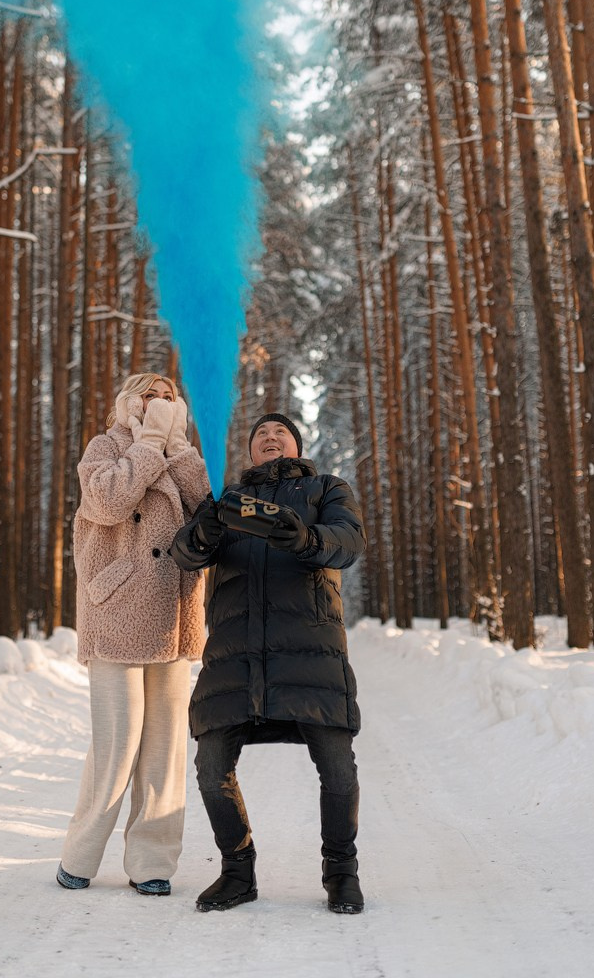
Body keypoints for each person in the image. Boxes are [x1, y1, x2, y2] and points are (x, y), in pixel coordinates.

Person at [170, 412, 367, 915]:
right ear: (252, 451)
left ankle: (341, 872)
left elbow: (348, 541)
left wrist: (305, 539)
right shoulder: (226, 501)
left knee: (338, 771)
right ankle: (237, 872)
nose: (270, 437)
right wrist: (206, 529)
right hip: (234, 658)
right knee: (211, 766)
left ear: (296, 446)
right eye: (261, 434)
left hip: (311, 654)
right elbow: (184, 555)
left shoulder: (326, 489)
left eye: (281, 432)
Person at [56, 372, 209, 896]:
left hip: (173, 614)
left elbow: (207, 509)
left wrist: (178, 448)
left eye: (169, 397)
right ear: (128, 401)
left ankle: (152, 864)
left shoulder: (180, 454)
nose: (160, 403)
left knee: (164, 751)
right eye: (150, 395)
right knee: (116, 746)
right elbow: (106, 503)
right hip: (117, 607)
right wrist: (146, 444)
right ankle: (80, 853)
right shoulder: (106, 446)